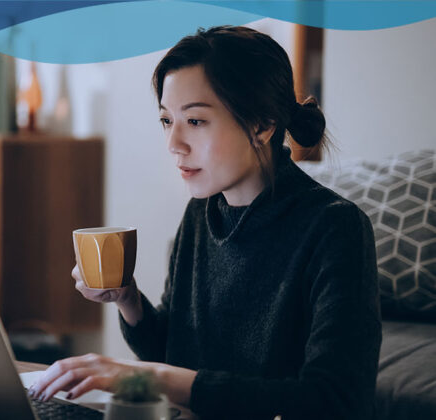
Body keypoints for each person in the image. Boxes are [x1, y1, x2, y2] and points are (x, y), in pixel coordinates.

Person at [28, 25, 381, 419]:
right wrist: (127, 298)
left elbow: (335, 403)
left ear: (261, 125)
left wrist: (146, 376)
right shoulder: (202, 213)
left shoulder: (335, 229)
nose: (173, 143)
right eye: (166, 120)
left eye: (195, 121)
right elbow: (173, 354)